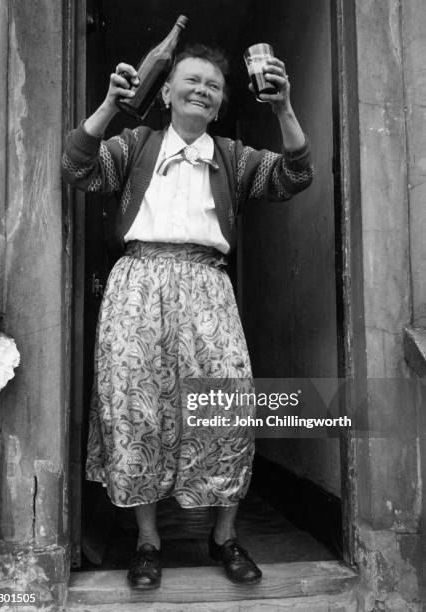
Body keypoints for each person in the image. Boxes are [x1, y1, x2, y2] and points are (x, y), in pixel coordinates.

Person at [62, 43, 313, 590]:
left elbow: (295, 176)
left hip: (207, 287)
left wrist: (284, 107)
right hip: (138, 286)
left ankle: (222, 537)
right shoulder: (135, 145)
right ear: (168, 92)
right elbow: (78, 166)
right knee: (138, 411)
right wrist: (108, 104)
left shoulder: (234, 158)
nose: (202, 89)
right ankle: (148, 542)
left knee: (227, 406)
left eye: (213, 86)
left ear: (221, 104)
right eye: (191, 80)